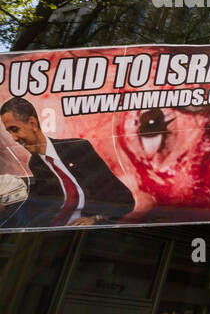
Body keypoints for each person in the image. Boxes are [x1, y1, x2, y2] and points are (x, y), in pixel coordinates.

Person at [0, 96, 135, 228]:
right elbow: (44, 207)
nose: (14, 138)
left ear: (32, 123)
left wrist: (96, 218)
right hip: (56, 235)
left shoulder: (77, 148)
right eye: (9, 132)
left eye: (15, 129)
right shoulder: (35, 164)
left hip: (88, 236)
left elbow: (124, 199)